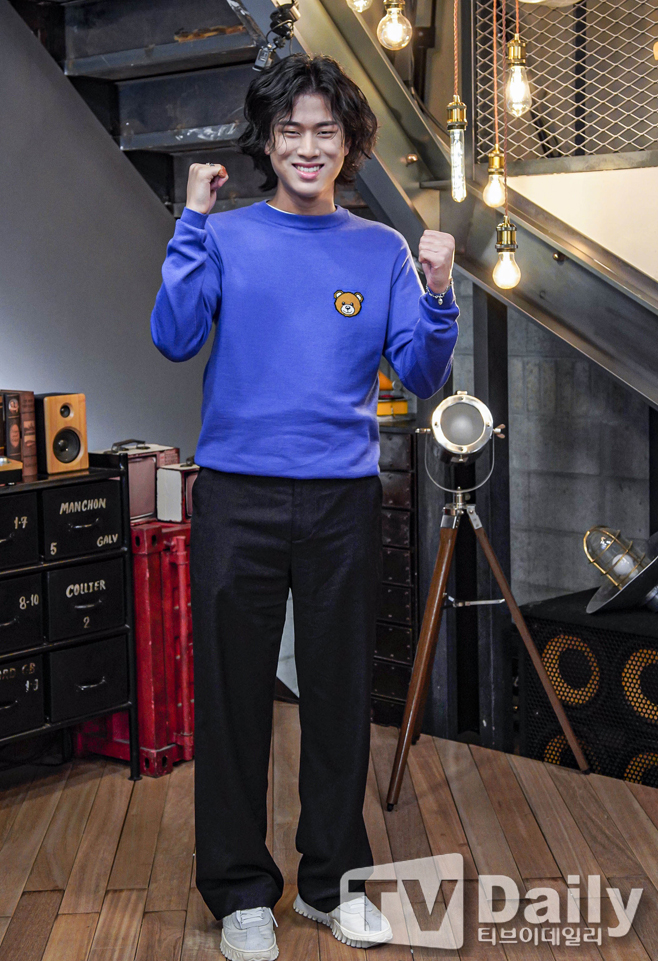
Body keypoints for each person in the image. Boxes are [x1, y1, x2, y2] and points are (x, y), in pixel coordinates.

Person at [150, 52, 459, 961]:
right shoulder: (225, 235)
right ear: (268, 140)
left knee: (337, 695)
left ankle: (332, 884)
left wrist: (440, 294)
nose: (308, 146)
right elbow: (173, 336)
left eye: (326, 130)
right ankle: (242, 893)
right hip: (236, 495)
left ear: (350, 142)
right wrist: (190, 222)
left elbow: (422, 372)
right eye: (291, 130)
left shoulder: (381, 249)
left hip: (340, 501)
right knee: (233, 696)